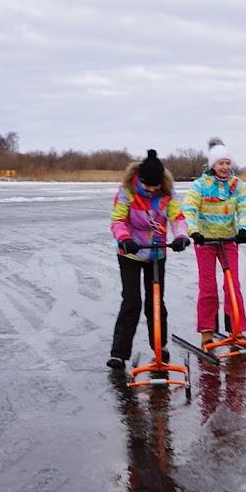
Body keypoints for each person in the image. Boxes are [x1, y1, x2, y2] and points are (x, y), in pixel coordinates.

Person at [106, 150, 190, 369]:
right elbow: (117, 221)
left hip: (156, 252)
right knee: (131, 301)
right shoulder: (127, 191)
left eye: (155, 186)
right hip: (131, 252)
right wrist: (125, 238)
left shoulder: (168, 192)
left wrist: (181, 236)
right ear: (140, 179)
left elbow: (177, 218)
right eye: (148, 185)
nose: (152, 190)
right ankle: (119, 353)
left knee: (155, 301)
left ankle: (159, 346)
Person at [183, 137, 246, 346]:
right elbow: (189, 208)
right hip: (205, 241)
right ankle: (207, 330)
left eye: (227, 163)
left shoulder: (236, 185)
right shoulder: (200, 185)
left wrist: (243, 228)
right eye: (220, 163)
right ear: (212, 165)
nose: (225, 167)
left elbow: (244, 208)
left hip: (229, 240)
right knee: (208, 286)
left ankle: (236, 329)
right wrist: (194, 231)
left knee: (233, 285)